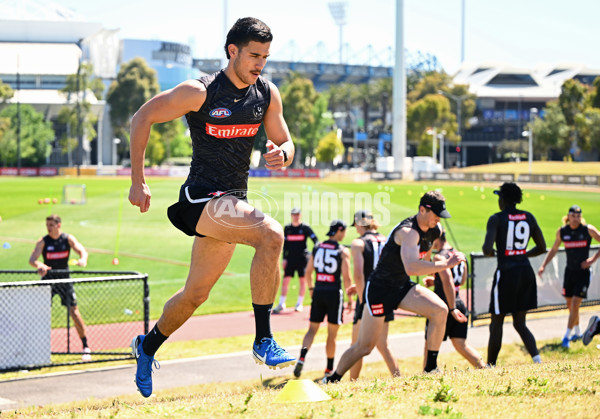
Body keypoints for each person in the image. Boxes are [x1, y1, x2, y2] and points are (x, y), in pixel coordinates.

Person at [127, 17, 296, 398]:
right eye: (254, 55)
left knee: (194, 295)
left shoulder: (267, 94)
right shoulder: (199, 91)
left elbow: (286, 140)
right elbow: (143, 116)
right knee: (271, 235)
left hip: (231, 205)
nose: (260, 64)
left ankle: (147, 346)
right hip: (200, 199)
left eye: (265, 57)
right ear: (232, 51)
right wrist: (138, 180)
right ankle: (264, 340)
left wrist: (283, 153)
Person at [323, 191, 466, 383]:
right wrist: (446, 264)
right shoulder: (407, 232)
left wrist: (434, 277)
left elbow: (424, 259)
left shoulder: (435, 230)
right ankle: (333, 378)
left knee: (440, 310)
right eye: (436, 214)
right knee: (365, 346)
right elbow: (412, 266)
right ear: (422, 210)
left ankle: (431, 368)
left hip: (401, 286)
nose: (438, 218)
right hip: (379, 290)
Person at [482, 182, 546, 366]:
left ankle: (491, 366)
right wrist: (523, 253)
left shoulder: (496, 218)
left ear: (503, 199)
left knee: (496, 322)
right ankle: (537, 360)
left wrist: (495, 252)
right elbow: (542, 247)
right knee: (520, 322)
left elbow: (487, 248)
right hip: (526, 272)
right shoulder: (529, 217)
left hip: (506, 273)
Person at [293, 220, 353, 378]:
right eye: (344, 231)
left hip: (319, 290)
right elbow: (347, 278)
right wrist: (350, 298)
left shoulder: (318, 246)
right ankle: (328, 369)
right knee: (332, 334)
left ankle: (301, 358)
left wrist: (311, 288)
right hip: (334, 293)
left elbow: (308, 271)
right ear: (339, 230)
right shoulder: (342, 250)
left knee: (312, 329)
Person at [29, 214, 91, 361]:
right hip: (48, 280)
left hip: (64, 279)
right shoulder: (43, 241)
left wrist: (83, 259)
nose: (48, 228)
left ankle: (85, 346)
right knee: (39, 315)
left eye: (51, 225)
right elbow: (32, 260)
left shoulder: (67, 239)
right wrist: (40, 265)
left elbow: (82, 251)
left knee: (74, 313)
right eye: (47, 225)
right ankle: (35, 350)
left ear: (58, 225)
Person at [538, 205, 600, 348]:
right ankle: (577, 332)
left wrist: (592, 260)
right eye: (573, 216)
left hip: (583, 273)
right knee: (570, 305)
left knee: (574, 304)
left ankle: (566, 337)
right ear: (568, 216)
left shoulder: (587, 230)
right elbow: (554, 249)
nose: (576, 219)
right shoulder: (562, 231)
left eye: (578, 216)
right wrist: (543, 265)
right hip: (569, 272)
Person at [348, 209, 400, 380]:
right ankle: (398, 377)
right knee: (383, 345)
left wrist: (364, 301)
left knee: (357, 345)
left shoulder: (358, 243)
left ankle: (352, 383)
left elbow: (359, 274)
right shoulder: (386, 239)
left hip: (369, 296)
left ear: (358, 224)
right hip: (385, 295)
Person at [423, 231, 485, 369]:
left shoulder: (439, 257)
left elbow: (448, 281)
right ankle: (483, 367)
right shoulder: (458, 254)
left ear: (435, 239)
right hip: (458, 301)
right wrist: (435, 282)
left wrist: (451, 309)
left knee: (429, 344)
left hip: (444, 305)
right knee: (461, 345)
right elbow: (461, 281)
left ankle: (426, 374)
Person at [273, 207, 319, 313]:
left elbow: (315, 240)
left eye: (297, 214)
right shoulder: (288, 228)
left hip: (302, 259)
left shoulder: (305, 227)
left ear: (300, 215)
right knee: (285, 281)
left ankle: (299, 303)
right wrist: (284, 259)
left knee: (302, 280)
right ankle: (281, 303)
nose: (296, 216)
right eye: (294, 214)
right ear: (291, 215)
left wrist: (312, 255)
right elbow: (285, 245)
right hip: (290, 259)